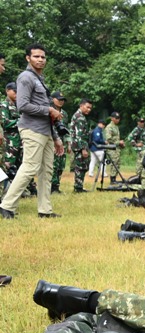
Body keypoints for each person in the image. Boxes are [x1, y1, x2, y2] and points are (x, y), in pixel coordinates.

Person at [0, 43, 65, 220]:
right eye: (36, 56)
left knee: (47, 171)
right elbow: (22, 105)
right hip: (31, 128)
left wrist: (56, 137)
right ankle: (6, 206)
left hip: (46, 130)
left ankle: (45, 210)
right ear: (28, 58)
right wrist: (49, 110)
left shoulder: (39, 79)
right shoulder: (25, 78)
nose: (40, 59)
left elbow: (45, 111)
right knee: (30, 167)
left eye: (43, 57)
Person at [68, 98, 93, 193]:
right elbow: (79, 135)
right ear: (81, 106)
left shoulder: (79, 115)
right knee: (80, 166)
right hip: (80, 146)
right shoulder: (80, 118)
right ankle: (78, 188)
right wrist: (83, 149)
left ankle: (79, 186)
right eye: (87, 107)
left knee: (82, 165)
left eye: (90, 108)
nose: (89, 109)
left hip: (78, 145)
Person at [49, 91, 68, 194]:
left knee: (61, 164)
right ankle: (51, 187)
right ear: (52, 99)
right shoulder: (50, 111)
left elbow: (67, 129)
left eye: (63, 100)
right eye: (59, 99)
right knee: (53, 164)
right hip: (52, 140)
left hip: (63, 142)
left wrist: (68, 143)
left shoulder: (64, 113)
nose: (61, 102)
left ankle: (56, 186)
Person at [104, 111, 124, 184]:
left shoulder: (116, 126)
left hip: (117, 148)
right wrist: (119, 142)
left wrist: (120, 143)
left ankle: (114, 178)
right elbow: (108, 138)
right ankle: (112, 180)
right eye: (116, 118)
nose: (118, 120)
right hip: (111, 148)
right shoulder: (109, 127)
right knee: (114, 163)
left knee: (118, 163)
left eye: (118, 118)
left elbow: (116, 138)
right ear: (112, 118)